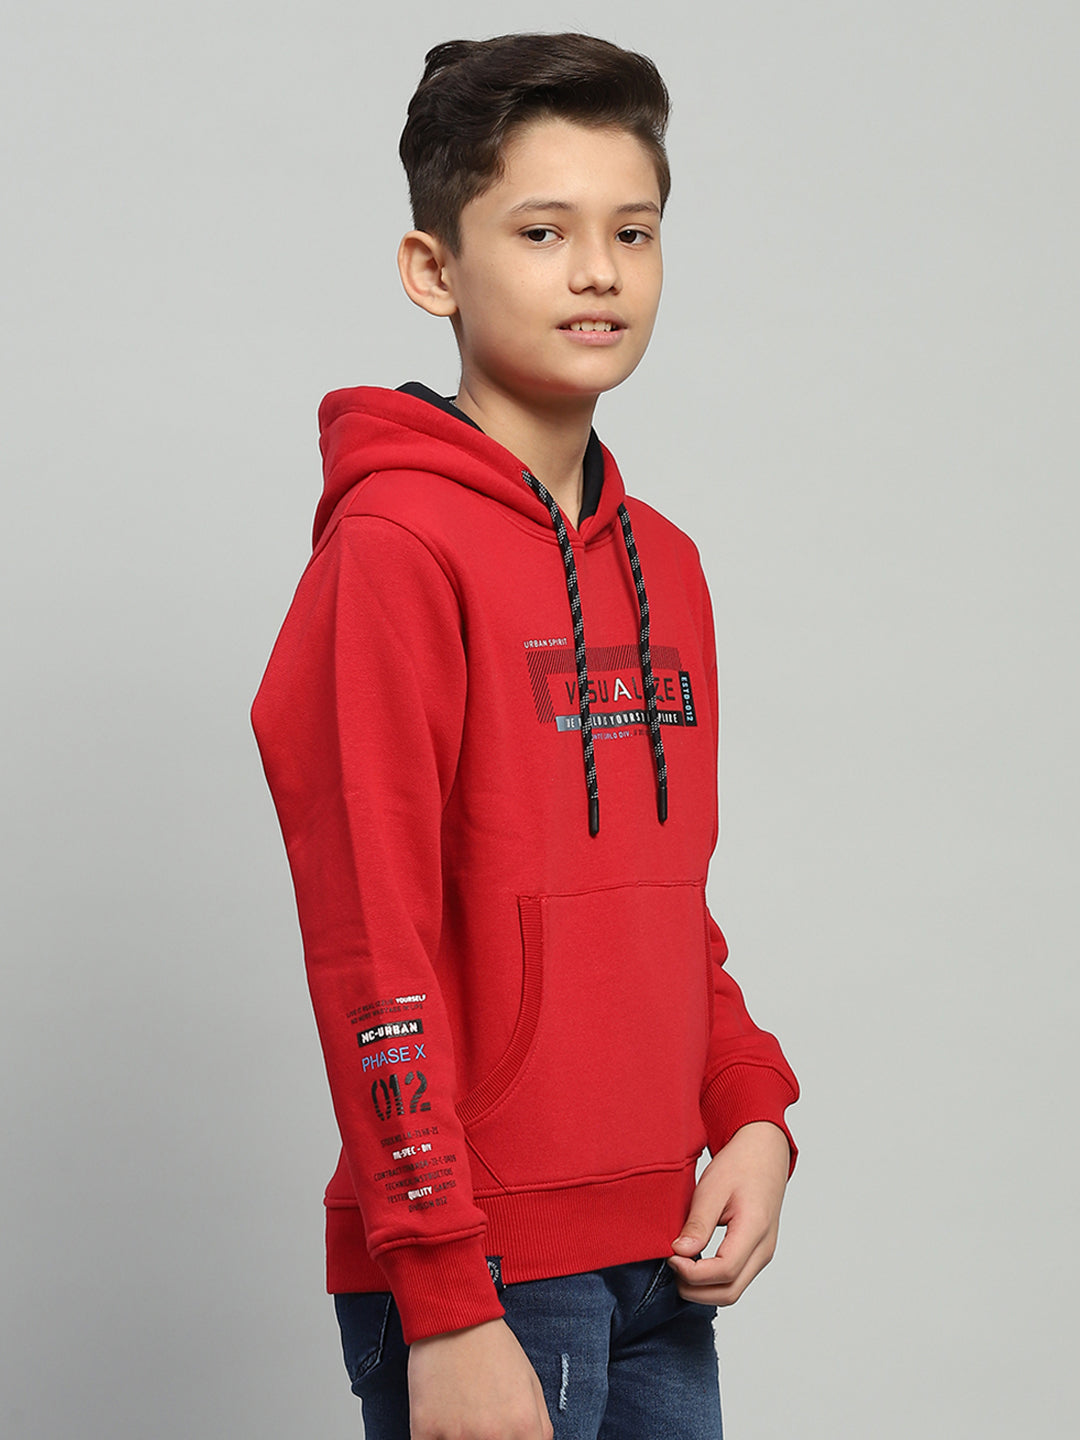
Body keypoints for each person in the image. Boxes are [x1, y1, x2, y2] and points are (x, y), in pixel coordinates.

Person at [252, 32, 799, 1440]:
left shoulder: (665, 565)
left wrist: (749, 1110)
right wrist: (442, 1292)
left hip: (660, 1253)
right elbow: (370, 942)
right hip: (484, 1264)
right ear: (433, 269)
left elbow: (662, 904)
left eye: (634, 231)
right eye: (544, 232)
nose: (598, 271)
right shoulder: (392, 552)